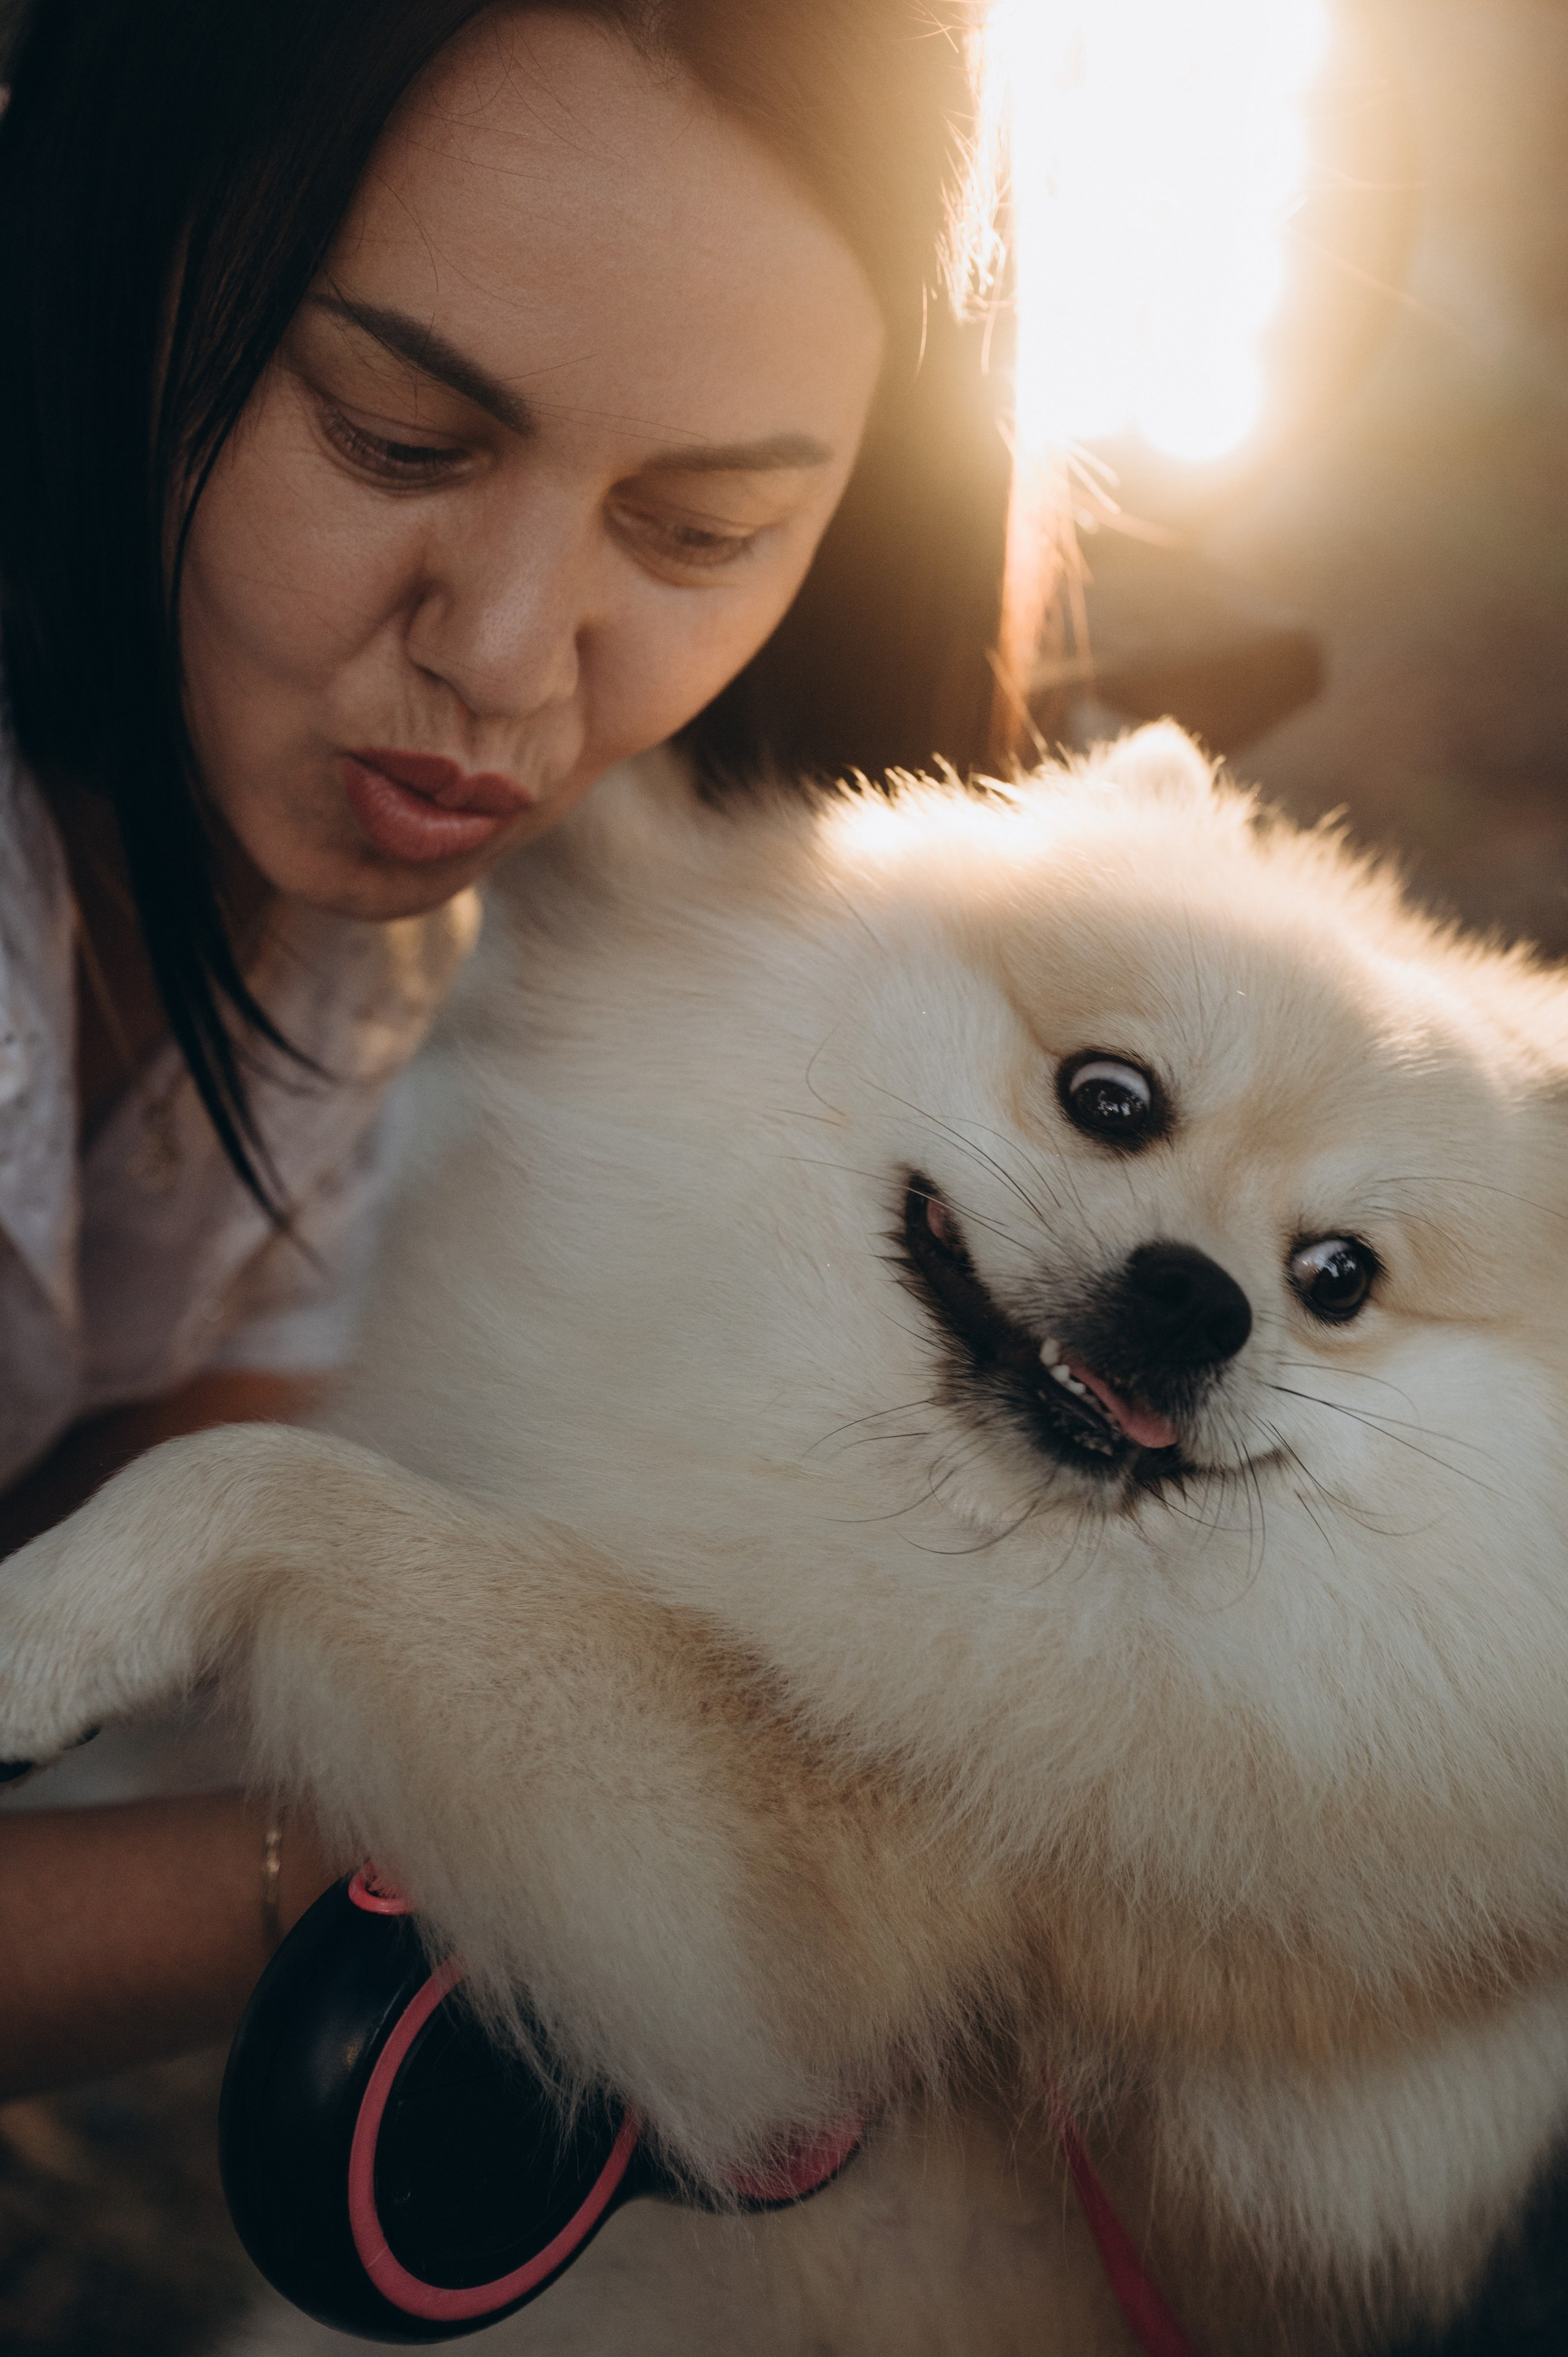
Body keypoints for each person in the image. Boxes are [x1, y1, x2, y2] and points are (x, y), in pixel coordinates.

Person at [0, 0, 1015, 2099]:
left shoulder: (327, 899)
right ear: (110, 241)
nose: (505, 648)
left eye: (701, 532)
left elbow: (173, 1430)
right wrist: (515, 1843)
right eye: (395, 436)